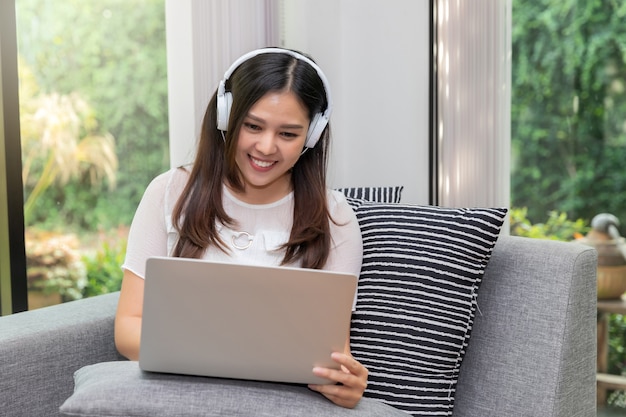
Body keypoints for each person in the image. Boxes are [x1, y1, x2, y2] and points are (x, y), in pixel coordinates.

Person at [114, 47, 368, 408]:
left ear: (312, 136)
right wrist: (227, 352)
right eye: (253, 126)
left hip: (284, 405)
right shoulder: (169, 192)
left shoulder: (334, 216)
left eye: (288, 134)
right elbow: (128, 328)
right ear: (225, 117)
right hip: (179, 397)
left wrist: (346, 383)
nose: (266, 147)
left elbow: (334, 351)